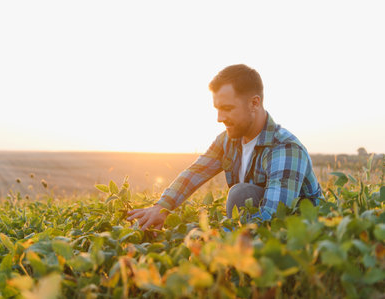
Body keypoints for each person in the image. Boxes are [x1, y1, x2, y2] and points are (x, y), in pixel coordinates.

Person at [127, 64, 322, 230]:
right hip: (260, 226)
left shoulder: (284, 148)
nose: (219, 118)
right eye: (217, 109)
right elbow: (195, 172)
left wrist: (216, 239)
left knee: (240, 194)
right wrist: (161, 207)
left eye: (227, 109)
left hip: (300, 233)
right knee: (238, 198)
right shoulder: (229, 140)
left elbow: (273, 218)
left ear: (255, 103)